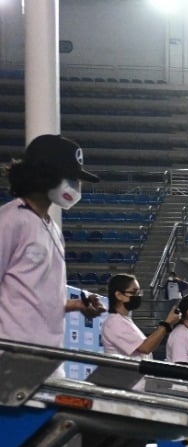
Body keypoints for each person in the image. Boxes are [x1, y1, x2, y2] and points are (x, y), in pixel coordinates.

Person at [0, 134, 106, 347]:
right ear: (46, 174)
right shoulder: (11, 220)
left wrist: (76, 305)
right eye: (71, 178)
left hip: (49, 355)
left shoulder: (53, 228)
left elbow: (33, 298)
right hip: (12, 354)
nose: (76, 186)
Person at [101, 273, 182, 361]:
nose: (138, 296)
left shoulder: (124, 320)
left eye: (139, 292)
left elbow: (149, 346)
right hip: (125, 374)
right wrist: (167, 324)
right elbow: (145, 348)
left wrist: (167, 325)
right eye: (134, 292)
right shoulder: (115, 323)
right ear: (119, 295)